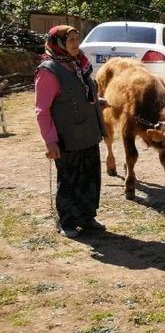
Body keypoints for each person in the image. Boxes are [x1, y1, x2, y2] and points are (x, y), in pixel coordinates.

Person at [34, 25, 107, 238]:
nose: (76, 43)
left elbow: (81, 93)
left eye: (77, 38)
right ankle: (67, 221)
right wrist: (50, 141)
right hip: (68, 137)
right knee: (69, 180)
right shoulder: (48, 71)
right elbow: (42, 110)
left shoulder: (78, 63)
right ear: (58, 44)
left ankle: (87, 217)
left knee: (90, 177)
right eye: (70, 40)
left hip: (89, 132)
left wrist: (97, 101)